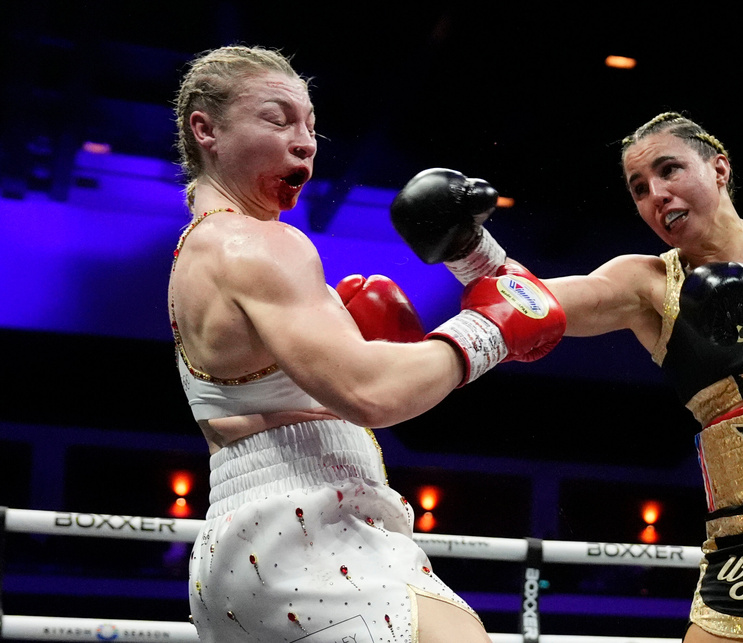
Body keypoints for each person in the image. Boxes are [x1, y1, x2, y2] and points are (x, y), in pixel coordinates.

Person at [389, 113, 743, 642]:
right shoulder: (647, 286)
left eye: (669, 170)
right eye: (639, 188)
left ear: (719, 169)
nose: (656, 194)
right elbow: (533, 305)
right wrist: (470, 249)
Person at [169, 45, 565, 643]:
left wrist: (481, 272)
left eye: (310, 126)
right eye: (277, 120)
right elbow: (370, 392)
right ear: (207, 131)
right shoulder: (261, 245)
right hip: (307, 530)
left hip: (249, 540)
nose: (305, 142)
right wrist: (487, 328)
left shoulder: (198, 252)